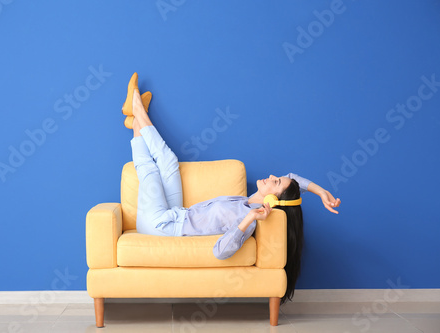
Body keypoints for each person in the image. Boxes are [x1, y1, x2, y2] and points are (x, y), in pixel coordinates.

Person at [121, 73, 341, 303]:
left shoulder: (249, 219)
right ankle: (136, 121)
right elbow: (291, 178)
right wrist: (320, 191)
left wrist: (248, 220)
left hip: (160, 224)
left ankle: (136, 108)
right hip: (177, 213)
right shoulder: (248, 201)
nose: (274, 176)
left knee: (150, 171)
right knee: (168, 163)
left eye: (276, 183)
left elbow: (220, 251)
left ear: (273, 202)